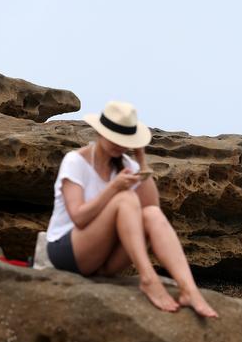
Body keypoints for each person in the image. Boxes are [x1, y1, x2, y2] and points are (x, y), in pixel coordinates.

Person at [45, 101, 218, 318]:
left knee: (151, 215)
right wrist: (113, 188)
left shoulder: (127, 164)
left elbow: (152, 210)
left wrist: (141, 161)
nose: (120, 144)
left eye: (125, 140)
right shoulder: (75, 161)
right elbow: (79, 217)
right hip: (68, 251)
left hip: (103, 261)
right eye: (114, 137)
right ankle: (148, 278)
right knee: (125, 198)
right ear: (100, 132)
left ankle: (189, 290)